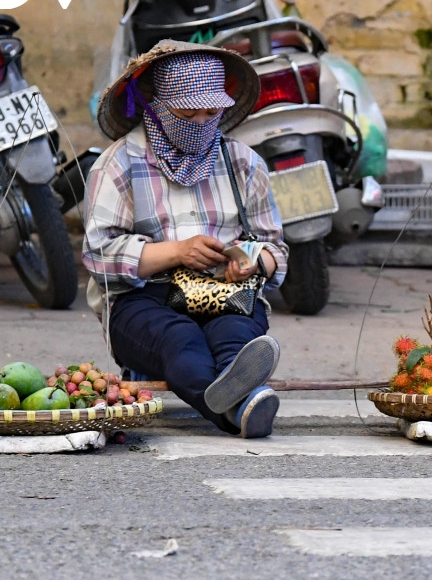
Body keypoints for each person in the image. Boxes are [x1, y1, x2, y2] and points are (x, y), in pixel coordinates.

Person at [82, 40, 289, 438]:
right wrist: (177, 252)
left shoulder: (244, 163)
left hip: (227, 294)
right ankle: (242, 404)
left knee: (235, 336)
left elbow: (275, 248)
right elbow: (98, 255)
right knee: (182, 341)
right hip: (143, 300)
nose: (200, 123)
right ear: (156, 106)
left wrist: (252, 260)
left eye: (211, 112)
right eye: (186, 112)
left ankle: (236, 397)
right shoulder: (117, 165)